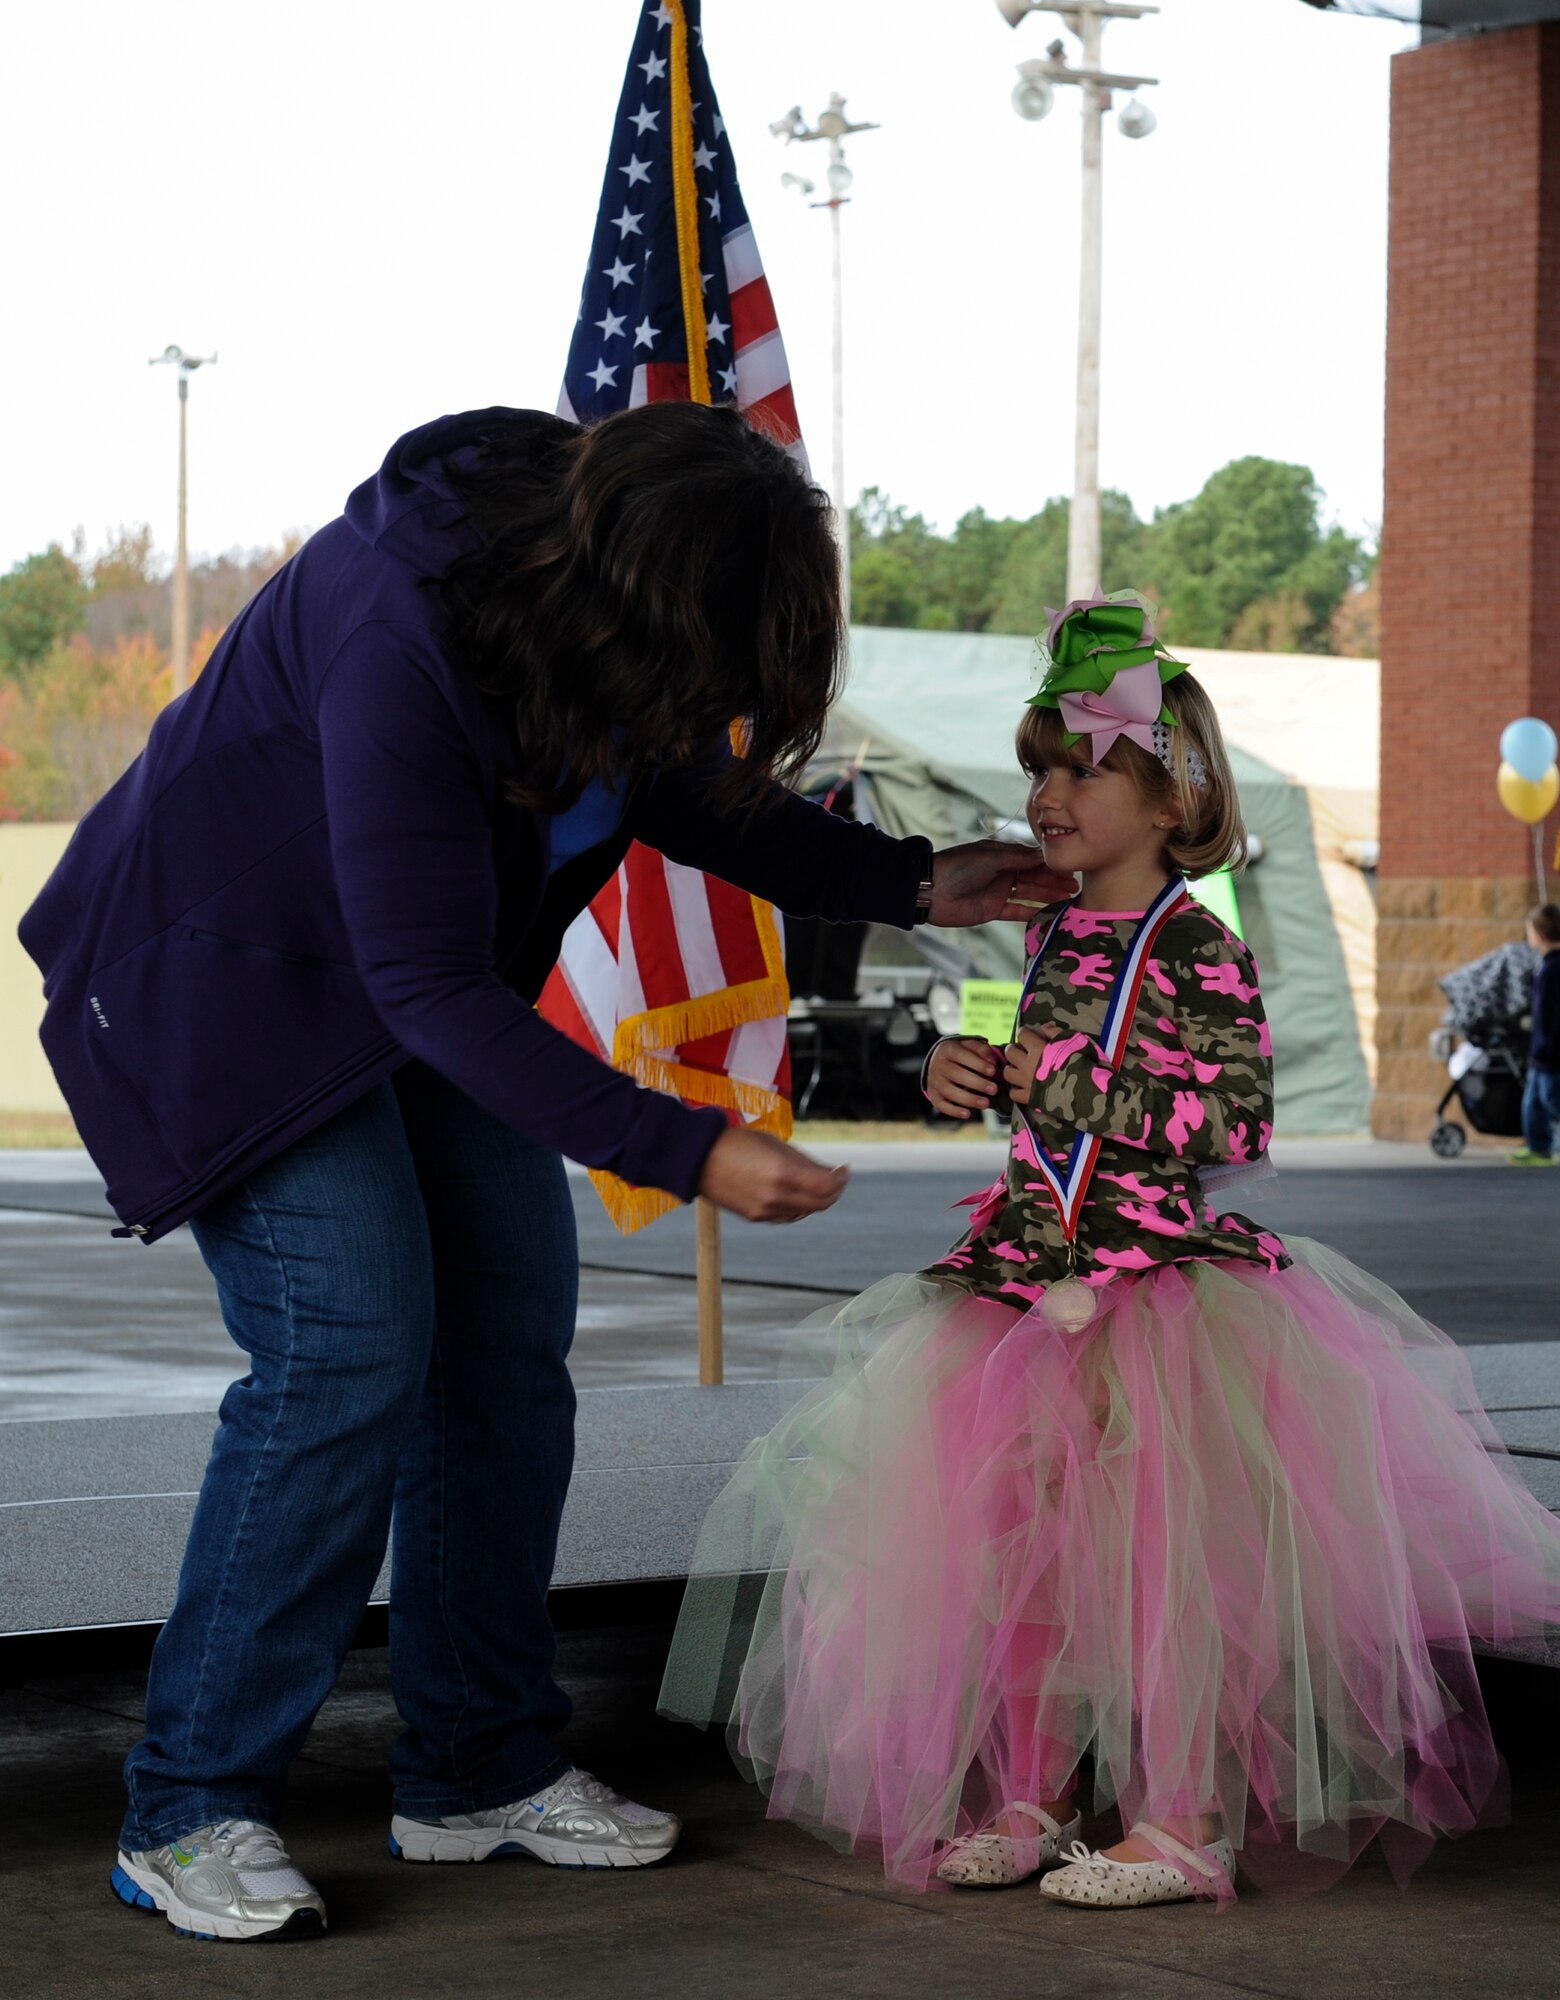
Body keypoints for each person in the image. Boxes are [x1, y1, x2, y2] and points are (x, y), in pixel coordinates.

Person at [17, 403, 1071, 1943]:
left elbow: (681, 786)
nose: (717, 710)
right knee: (349, 1341)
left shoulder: (597, 620)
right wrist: (686, 1143)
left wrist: (906, 879)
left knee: (507, 1337)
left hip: (405, 981)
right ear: (638, 600)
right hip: (228, 989)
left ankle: (476, 1766)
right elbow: (425, 984)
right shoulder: (406, 629)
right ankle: (189, 1807)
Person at [660, 593, 1560, 1911]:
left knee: (1159, 1573)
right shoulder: (1044, 929)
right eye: (1041, 770)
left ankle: (1183, 1817)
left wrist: (1070, 1083)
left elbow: (1233, 1118)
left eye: (1084, 767)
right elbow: (1042, 1090)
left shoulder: (1201, 945)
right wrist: (977, 1075)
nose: (1049, 796)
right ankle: (1034, 1793)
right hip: (1019, 1286)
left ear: (1170, 787)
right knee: (1020, 1562)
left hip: (1159, 1294)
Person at [1510, 902, 1560, 1165]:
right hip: (1541, 1050)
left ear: (1539, 935)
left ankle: (1541, 1145)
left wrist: (1545, 1045)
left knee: (1551, 1098)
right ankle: (1539, 1146)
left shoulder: (1552, 969)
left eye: (1529, 931)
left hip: (1550, 1050)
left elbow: (1550, 1015)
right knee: (1533, 1102)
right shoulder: (1546, 966)